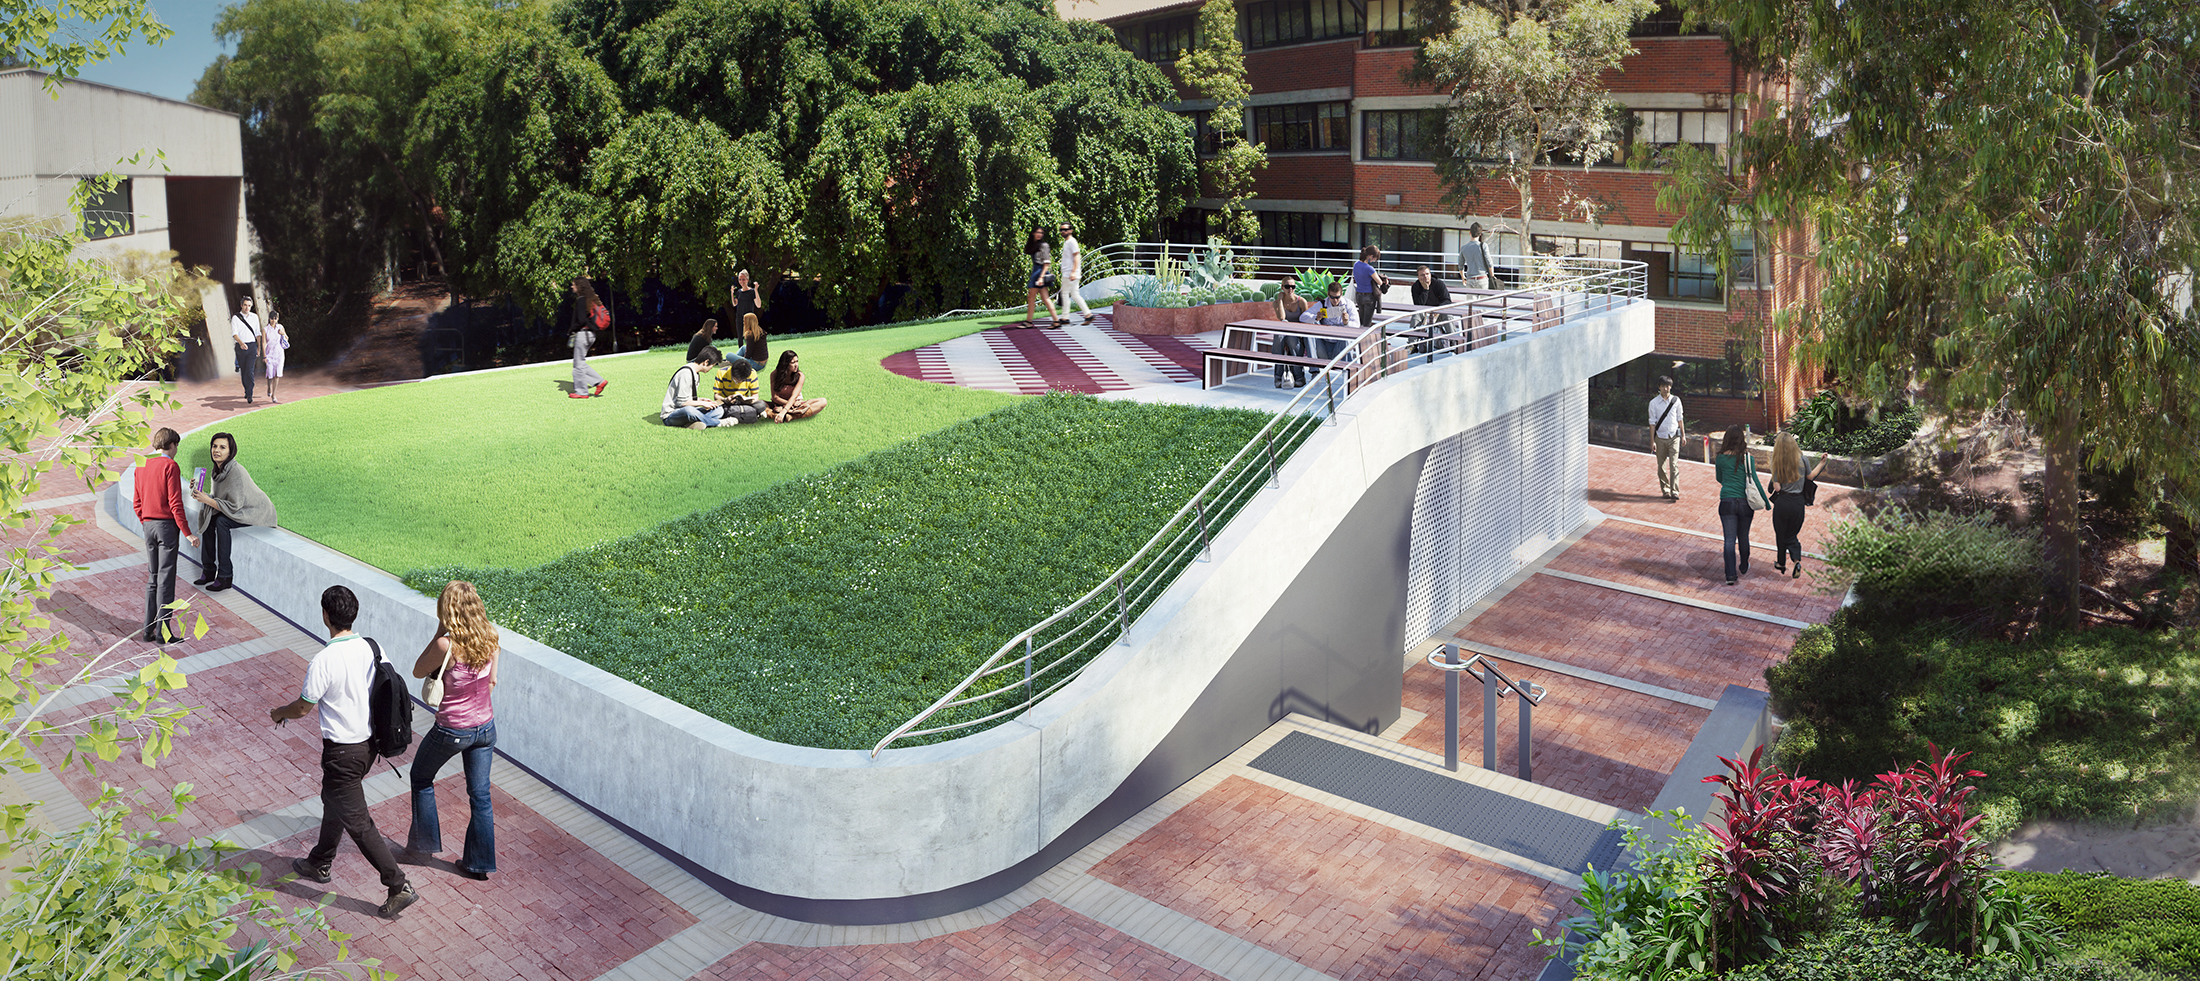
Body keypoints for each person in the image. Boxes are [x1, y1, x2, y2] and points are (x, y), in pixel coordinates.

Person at [269, 585, 419, 920]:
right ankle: (319, 861)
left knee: (359, 822)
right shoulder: (373, 647)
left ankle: (398, 885)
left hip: (342, 755)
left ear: (325, 616)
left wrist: (279, 712)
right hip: (368, 748)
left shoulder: (324, 659)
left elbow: (303, 708)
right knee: (334, 800)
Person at [408, 580, 500, 880]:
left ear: (447, 610)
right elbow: (492, 681)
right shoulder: (490, 636)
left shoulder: (446, 645)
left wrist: (438, 634)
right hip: (485, 728)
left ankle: (424, 846)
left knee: (421, 777)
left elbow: (418, 670)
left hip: (452, 729)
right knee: (480, 796)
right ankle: (479, 865)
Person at [189, 431, 278, 593]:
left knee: (221, 522)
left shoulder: (235, 471)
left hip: (254, 510)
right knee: (209, 517)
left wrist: (208, 500)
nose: (217, 450)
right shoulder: (217, 470)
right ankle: (208, 570)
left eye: (222, 447)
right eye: (214, 446)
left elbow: (235, 505)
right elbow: (219, 499)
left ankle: (225, 576)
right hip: (237, 508)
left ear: (231, 452)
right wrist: (199, 494)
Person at [133, 427, 199, 644]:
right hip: (166, 528)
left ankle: (148, 630)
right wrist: (188, 533)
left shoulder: (141, 465)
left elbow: (137, 502)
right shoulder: (170, 466)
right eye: (177, 445)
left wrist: (145, 522)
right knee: (166, 580)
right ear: (172, 444)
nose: (177, 450)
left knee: (153, 578)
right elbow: (175, 504)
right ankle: (163, 633)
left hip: (148, 527)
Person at [1767, 431, 1831, 578]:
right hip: (1798, 503)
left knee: (1780, 533)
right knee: (1792, 534)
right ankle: (1796, 560)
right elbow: (1810, 477)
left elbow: (1777, 488)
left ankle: (1781, 562)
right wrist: (1822, 463)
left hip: (1783, 502)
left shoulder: (1777, 463)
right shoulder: (1803, 459)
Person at [1714, 424, 1768, 586]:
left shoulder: (1721, 458)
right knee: (1743, 536)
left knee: (1729, 540)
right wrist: (1766, 502)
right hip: (1745, 503)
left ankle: (1730, 575)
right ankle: (1744, 566)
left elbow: (1719, 478)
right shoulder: (1748, 459)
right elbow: (1756, 482)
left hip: (1727, 502)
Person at [662, 347, 731, 429]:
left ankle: (693, 423)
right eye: (712, 365)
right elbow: (681, 403)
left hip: (688, 410)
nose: (711, 368)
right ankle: (718, 423)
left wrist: (702, 400)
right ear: (706, 362)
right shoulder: (685, 373)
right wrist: (703, 404)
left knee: (718, 410)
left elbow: (688, 397)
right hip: (672, 414)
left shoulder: (695, 373)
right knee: (689, 411)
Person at [571, 277, 609, 398]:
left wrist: (572, 329)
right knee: (579, 363)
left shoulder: (582, 300)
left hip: (583, 334)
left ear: (579, 286)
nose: (572, 287)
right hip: (590, 334)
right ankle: (599, 382)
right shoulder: (590, 300)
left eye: (573, 285)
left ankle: (582, 392)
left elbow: (582, 320)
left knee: (578, 364)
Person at [1648, 376, 1685, 500]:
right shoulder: (1653, 403)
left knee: (1674, 464)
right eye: (1663, 386)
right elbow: (1652, 423)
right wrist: (1652, 441)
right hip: (1660, 437)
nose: (1666, 388)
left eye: (1668, 385)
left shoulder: (1676, 400)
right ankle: (1666, 490)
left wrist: (1683, 436)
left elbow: (1680, 419)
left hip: (1674, 437)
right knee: (1661, 465)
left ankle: (1675, 491)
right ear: (1659, 387)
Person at [1269, 278, 1311, 389]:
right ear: (1282, 287)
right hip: (1284, 332)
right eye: (1287, 286)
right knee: (1278, 336)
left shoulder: (1301, 301)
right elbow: (1282, 318)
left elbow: (1305, 321)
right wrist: (1280, 301)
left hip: (1298, 333)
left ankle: (1299, 377)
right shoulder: (1276, 303)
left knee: (1292, 339)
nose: (1290, 289)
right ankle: (1278, 377)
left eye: (1293, 287)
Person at [768, 350, 829, 422]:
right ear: (785, 364)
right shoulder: (774, 374)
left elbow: (794, 397)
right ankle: (791, 412)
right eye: (793, 362)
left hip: (797, 404)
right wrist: (790, 405)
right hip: (780, 404)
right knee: (760, 404)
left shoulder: (800, 376)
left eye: (797, 361)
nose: (796, 365)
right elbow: (775, 397)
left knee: (823, 401)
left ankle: (790, 416)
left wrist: (784, 410)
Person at [1410, 264, 1454, 355]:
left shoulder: (1438, 284)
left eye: (1427, 274)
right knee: (1415, 316)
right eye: (1422, 275)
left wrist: (1437, 310)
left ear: (1430, 274)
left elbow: (1447, 300)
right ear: (1418, 277)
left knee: (1448, 315)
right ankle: (1412, 345)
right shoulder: (1415, 287)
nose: (1425, 276)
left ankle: (1454, 342)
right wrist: (1425, 290)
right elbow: (1418, 305)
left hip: (1439, 312)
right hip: (1425, 313)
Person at [1023, 226, 1060, 327]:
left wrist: (1040, 277)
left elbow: (1047, 262)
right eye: (1038, 232)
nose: (1039, 234)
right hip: (1037, 271)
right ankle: (1056, 321)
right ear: (1033, 233)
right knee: (1043, 298)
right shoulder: (1034, 245)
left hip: (1040, 272)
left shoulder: (1044, 245)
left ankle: (1029, 322)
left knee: (1031, 297)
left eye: (1041, 233)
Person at [1057, 222, 1093, 325]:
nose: (1063, 231)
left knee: (1065, 294)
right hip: (1069, 273)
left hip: (1070, 274)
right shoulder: (1067, 242)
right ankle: (1087, 314)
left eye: (1065, 229)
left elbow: (1077, 256)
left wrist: (1073, 272)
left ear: (1071, 230)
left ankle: (1065, 317)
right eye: (1061, 230)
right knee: (1073, 294)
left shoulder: (1072, 242)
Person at [713, 356, 765, 425]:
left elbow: (755, 395)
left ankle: (733, 414)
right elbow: (716, 395)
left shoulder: (752, 373)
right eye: (737, 380)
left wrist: (749, 401)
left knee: (761, 405)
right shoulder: (721, 373)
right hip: (728, 404)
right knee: (717, 408)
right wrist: (726, 399)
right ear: (732, 372)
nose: (740, 382)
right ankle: (750, 413)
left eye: (743, 380)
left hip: (745, 403)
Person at [231, 294, 262, 404]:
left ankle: (250, 393)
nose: (247, 307)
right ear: (241, 305)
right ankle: (246, 389)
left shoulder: (254, 317)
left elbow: (258, 333)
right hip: (240, 347)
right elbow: (234, 334)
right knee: (244, 371)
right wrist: (241, 343)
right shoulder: (236, 318)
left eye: (249, 305)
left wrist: (258, 348)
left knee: (250, 371)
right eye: (245, 305)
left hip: (252, 346)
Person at [1351, 245, 1388, 330]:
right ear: (1371, 256)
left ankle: (1357, 340)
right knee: (1367, 323)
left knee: (1360, 321)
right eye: (1375, 258)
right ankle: (1364, 342)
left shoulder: (1356, 264)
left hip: (1359, 295)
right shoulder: (1369, 268)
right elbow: (1379, 282)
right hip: (1369, 297)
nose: (1374, 260)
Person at [263, 308, 290, 403]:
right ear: (269, 319)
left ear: (277, 318)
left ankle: (274, 395)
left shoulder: (280, 327)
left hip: (279, 354)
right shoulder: (265, 329)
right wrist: (264, 356)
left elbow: (286, 338)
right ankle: (269, 388)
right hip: (269, 354)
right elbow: (264, 343)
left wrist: (283, 333)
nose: (273, 320)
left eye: (275, 318)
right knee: (270, 375)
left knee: (277, 375)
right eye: (272, 318)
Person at [1458, 222, 1494, 290]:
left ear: (1470, 233)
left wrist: (1463, 278)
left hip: (1470, 280)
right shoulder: (1483, 246)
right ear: (1480, 234)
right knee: (1484, 300)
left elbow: (1460, 266)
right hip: (1482, 279)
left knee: (1471, 301)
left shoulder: (1463, 248)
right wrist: (1492, 276)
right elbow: (1489, 263)